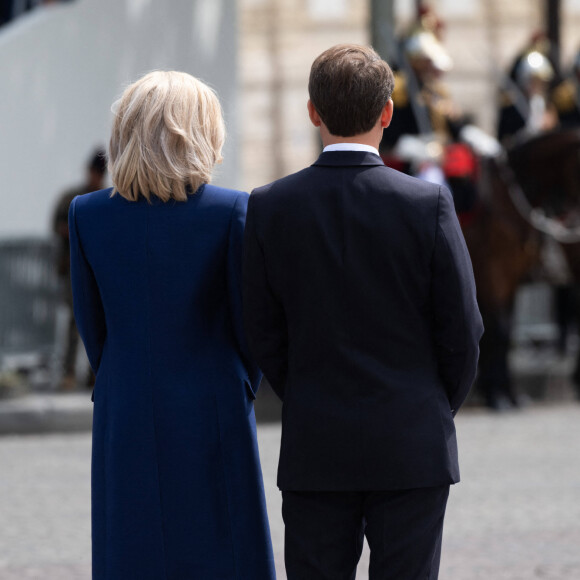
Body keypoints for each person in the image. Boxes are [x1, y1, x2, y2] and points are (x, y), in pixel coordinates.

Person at [243, 44, 483, 580]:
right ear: (388, 113)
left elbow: (262, 330)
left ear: (312, 111)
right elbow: (463, 330)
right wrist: (433, 403)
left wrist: (307, 389)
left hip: (317, 438)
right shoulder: (428, 205)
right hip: (412, 439)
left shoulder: (269, 205)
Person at [69, 71, 275, 579]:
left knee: (131, 549)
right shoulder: (232, 211)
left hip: (126, 405)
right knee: (224, 549)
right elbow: (250, 325)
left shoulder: (88, 214)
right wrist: (237, 382)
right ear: (200, 131)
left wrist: (123, 376)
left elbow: (93, 328)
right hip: (214, 403)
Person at [53, 148, 107, 390]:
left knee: (101, 321)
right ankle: (69, 373)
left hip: (99, 270)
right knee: (76, 323)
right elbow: (57, 226)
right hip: (74, 267)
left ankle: (95, 374)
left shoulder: (107, 199)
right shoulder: (73, 198)